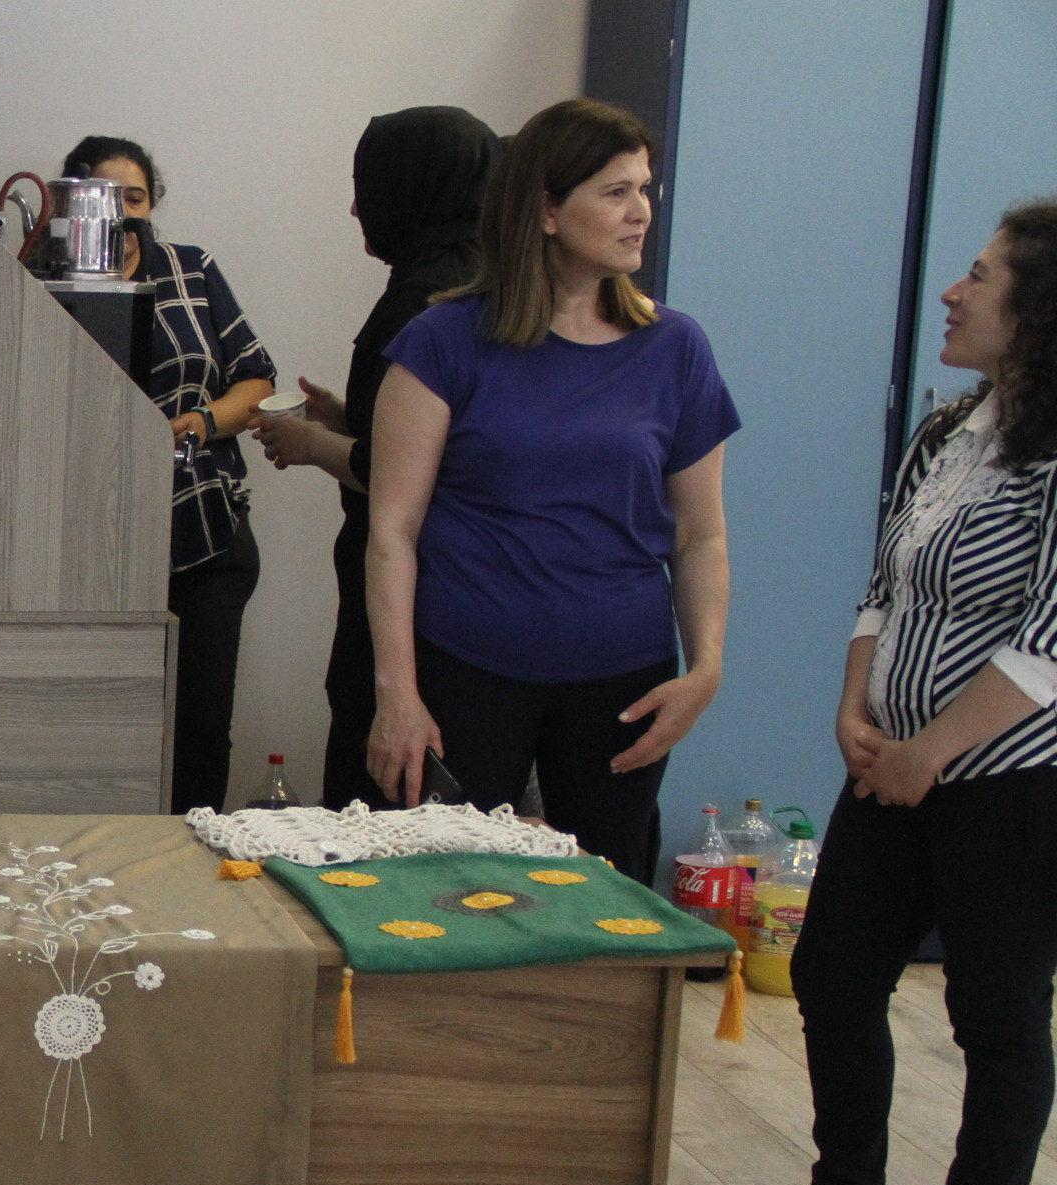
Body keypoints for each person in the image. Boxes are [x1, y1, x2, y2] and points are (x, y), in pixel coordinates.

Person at [734, 200, 1057, 1185]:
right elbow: (884, 588)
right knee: (833, 974)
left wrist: (932, 751)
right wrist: (853, 710)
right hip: (892, 765)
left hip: (1012, 782)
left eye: (980, 276)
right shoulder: (947, 431)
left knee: (997, 1014)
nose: (952, 294)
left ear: (1040, 308)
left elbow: (1049, 642)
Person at [360, 98, 736, 882]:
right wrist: (397, 693)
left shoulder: (675, 347)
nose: (641, 212)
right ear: (546, 210)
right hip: (465, 669)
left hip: (622, 680)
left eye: (644, 190)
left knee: (605, 903)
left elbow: (700, 536)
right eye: (616, 192)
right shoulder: (444, 341)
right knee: (446, 896)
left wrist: (705, 670)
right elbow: (391, 533)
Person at [252, 107, 500, 810]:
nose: (357, 209)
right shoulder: (475, 277)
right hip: (459, 590)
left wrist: (311, 445)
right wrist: (350, 418)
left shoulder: (430, 299)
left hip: (417, 597)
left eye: (370, 187)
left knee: (385, 805)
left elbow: (414, 480)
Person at [60, 136, 277, 812]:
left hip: (201, 529)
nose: (124, 212)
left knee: (200, 728)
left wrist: (202, 422)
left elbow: (257, 380)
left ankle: (194, 852)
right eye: (107, 197)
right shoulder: (42, 278)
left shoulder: (191, 270)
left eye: (137, 197)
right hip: (86, 541)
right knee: (93, 730)